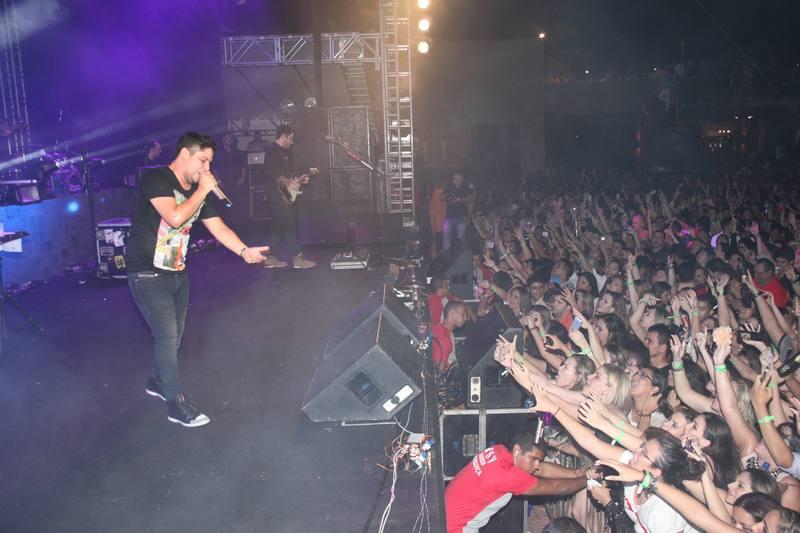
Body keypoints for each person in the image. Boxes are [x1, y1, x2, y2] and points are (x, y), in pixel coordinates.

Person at [125, 132, 270, 428]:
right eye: (203, 160)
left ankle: (155, 379)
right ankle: (175, 404)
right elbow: (175, 217)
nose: (207, 168)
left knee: (175, 337)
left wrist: (244, 251)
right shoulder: (157, 179)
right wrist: (203, 190)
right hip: (146, 273)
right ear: (184, 154)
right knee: (167, 337)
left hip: (177, 271)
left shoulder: (196, 191)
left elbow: (219, 228)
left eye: (210, 163)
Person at [445, 431, 586, 533]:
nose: (537, 465)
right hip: (456, 528)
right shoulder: (509, 476)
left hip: (444, 515)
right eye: (534, 459)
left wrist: (576, 473)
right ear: (517, 450)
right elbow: (559, 487)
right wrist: (588, 480)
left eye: (539, 460)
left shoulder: (498, 450)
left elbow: (541, 469)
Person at [262, 125, 316, 269]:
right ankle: (298, 258)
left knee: (279, 226)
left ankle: (269, 257)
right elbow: (275, 174)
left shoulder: (282, 152)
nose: (291, 142)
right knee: (289, 223)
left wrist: (299, 179)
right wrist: (290, 183)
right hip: (278, 194)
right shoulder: (272, 151)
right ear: (283, 136)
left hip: (282, 193)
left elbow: (287, 174)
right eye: (290, 139)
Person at [442, 171, 474, 250]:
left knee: (462, 240)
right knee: (446, 241)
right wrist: (448, 196)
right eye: (455, 179)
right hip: (449, 217)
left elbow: (470, 199)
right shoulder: (449, 186)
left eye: (458, 179)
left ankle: (462, 256)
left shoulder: (466, 187)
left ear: (462, 179)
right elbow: (441, 197)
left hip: (461, 217)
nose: (456, 181)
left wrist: (458, 199)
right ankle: (447, 257)